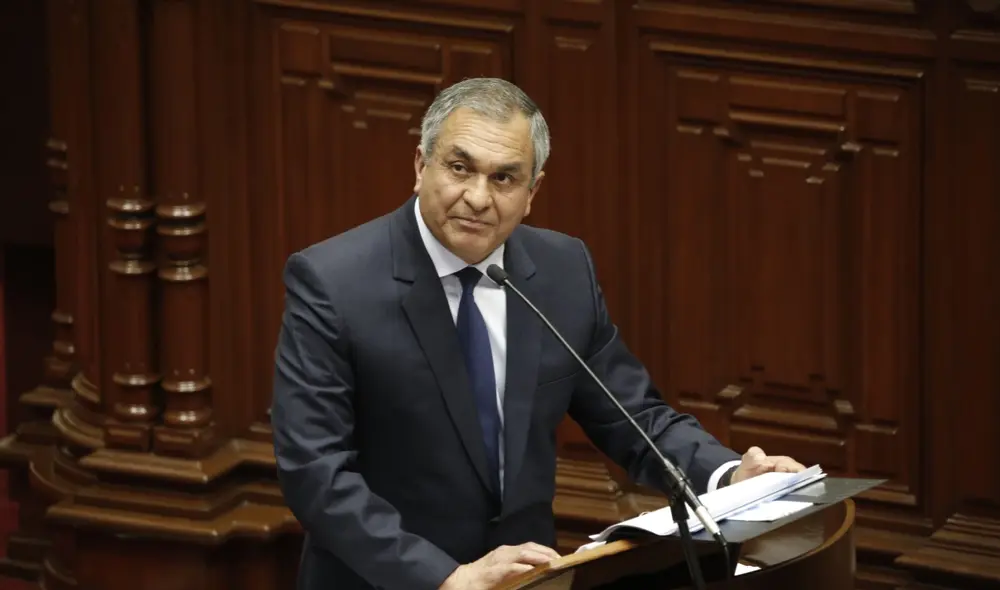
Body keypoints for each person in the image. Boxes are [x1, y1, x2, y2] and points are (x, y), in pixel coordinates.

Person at [271, 77, 804, 590]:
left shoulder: (561, 270)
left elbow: (634, 418)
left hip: (527, 579)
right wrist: (443, 578)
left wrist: (730, 475)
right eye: (460, 168)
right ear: (420, 165)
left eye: (503, 178)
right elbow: (316, 473)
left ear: (532, 191)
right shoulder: (333, 283)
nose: (478, 198)